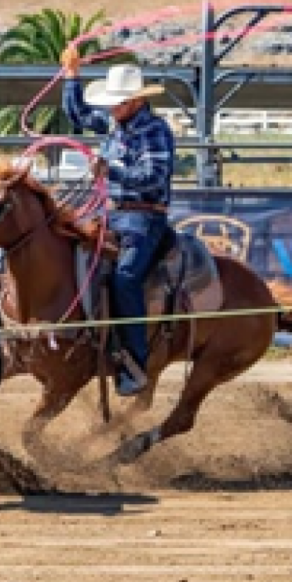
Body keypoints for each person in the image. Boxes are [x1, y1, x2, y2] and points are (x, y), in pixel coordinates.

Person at [60, 45, 175, 397]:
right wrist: (71, 77)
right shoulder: (115, 123)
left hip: (144, 219)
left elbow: (154, 178)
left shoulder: (155, 131)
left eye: (118, 101)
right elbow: (78, 114)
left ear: (136, 101)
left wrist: (112, 169)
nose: (111, 107)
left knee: (125, 277)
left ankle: (135, 364)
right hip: (110, 213)